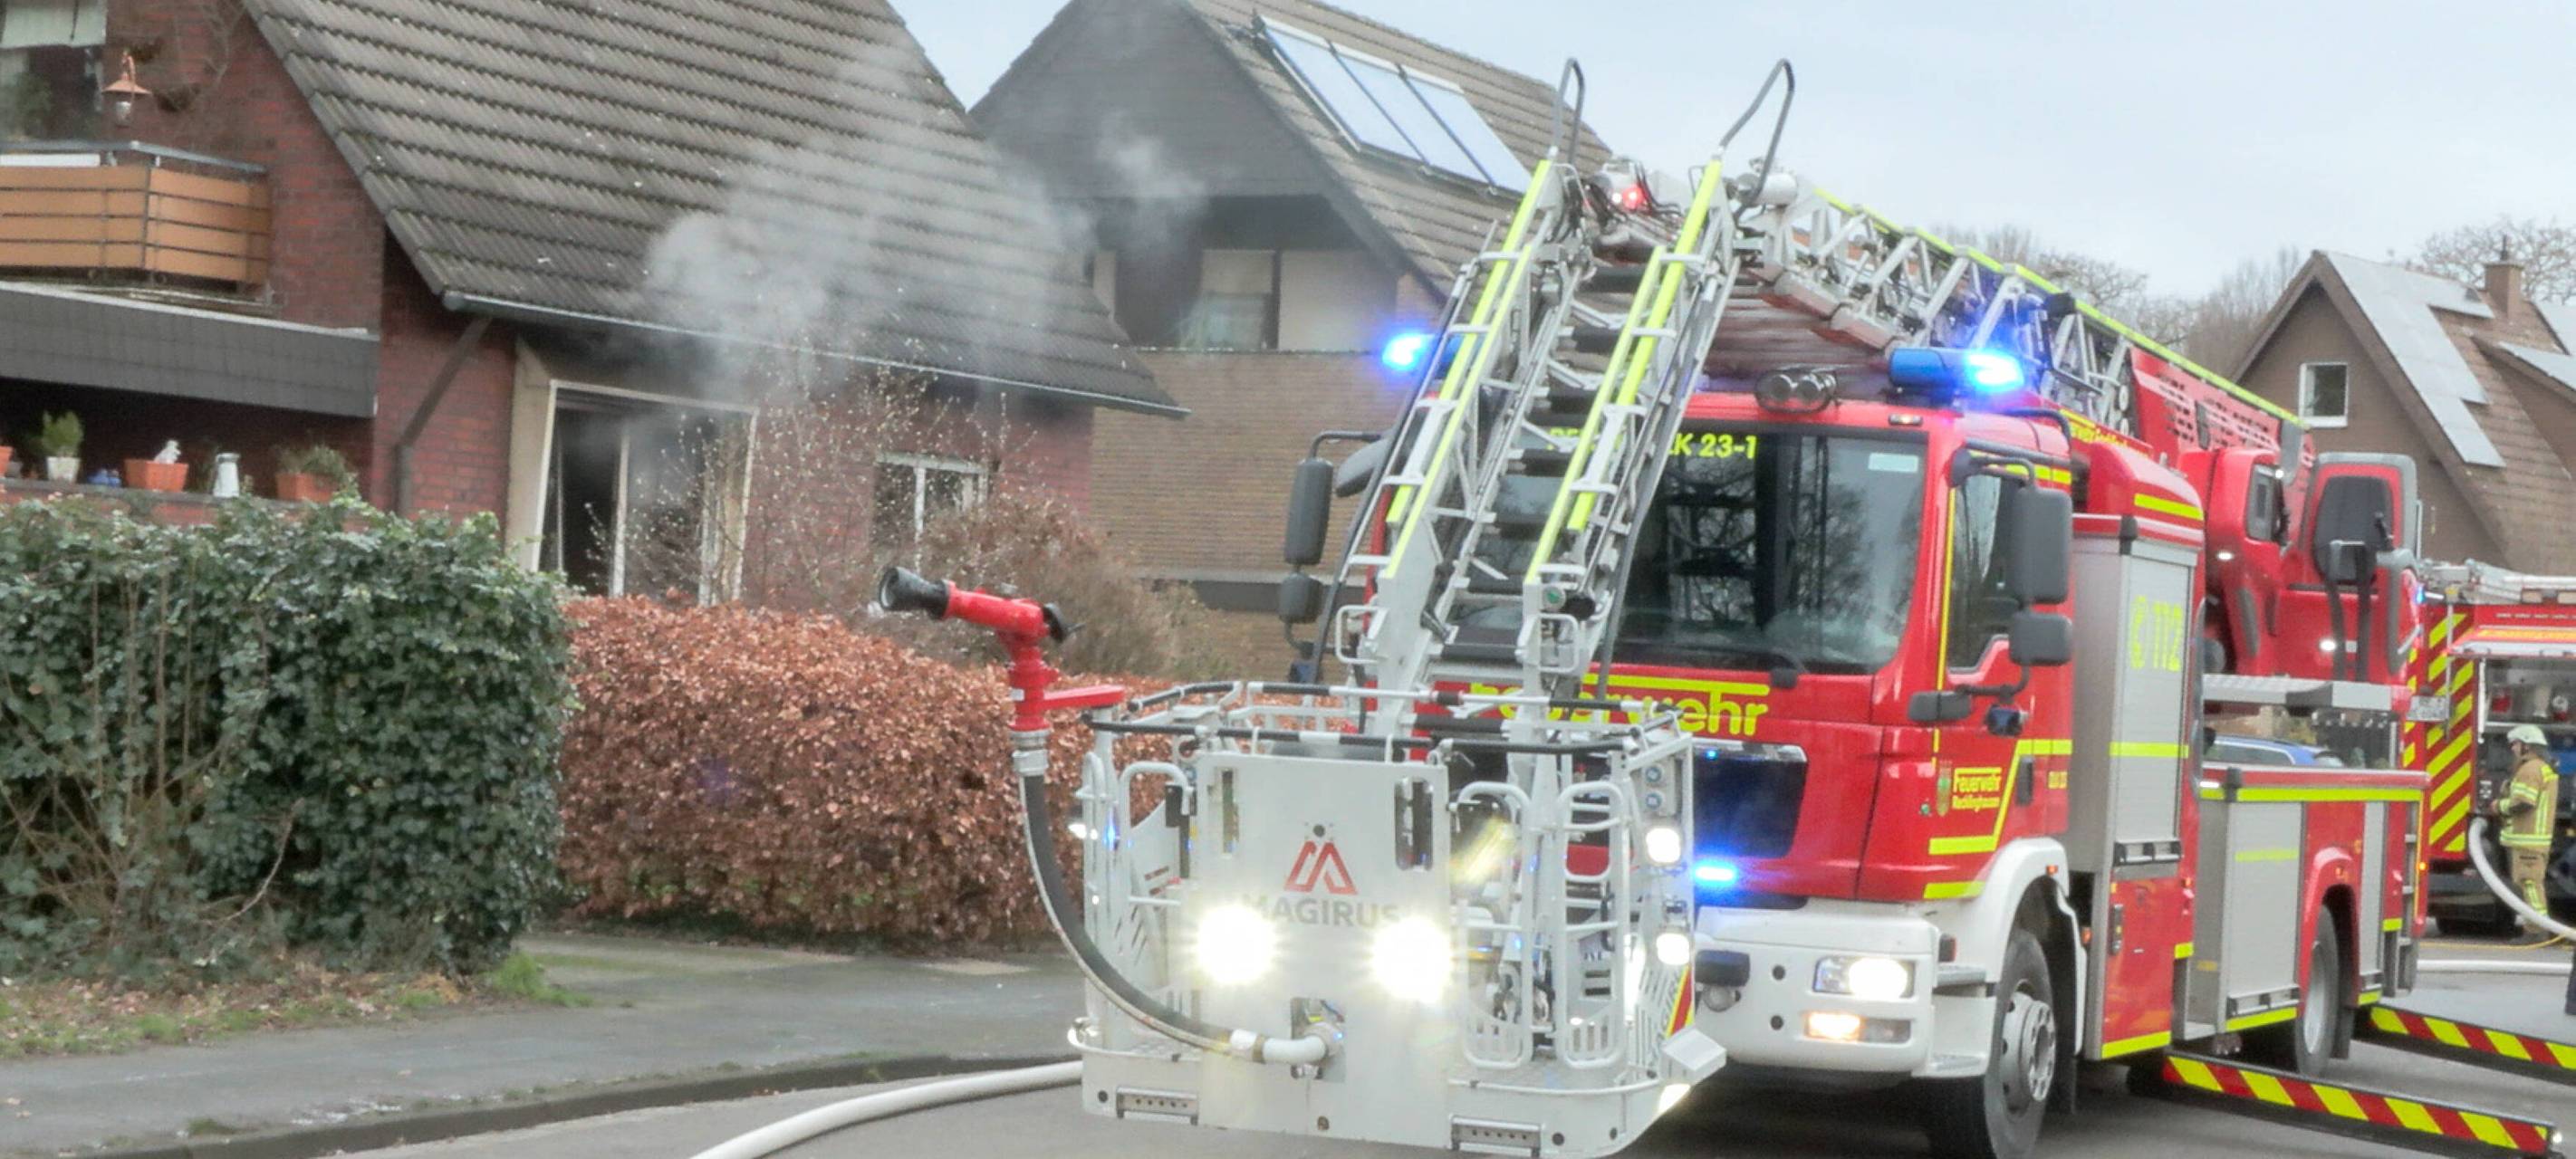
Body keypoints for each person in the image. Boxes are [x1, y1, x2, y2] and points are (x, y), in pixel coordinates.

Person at [2497, 724, 2562, 945]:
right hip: (2533, 839)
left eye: (2515, 743)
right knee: (2530, 883)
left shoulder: (2530, 769)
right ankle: (2536, 927)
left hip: (2528, 839)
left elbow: (2524, 802)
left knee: (2530, 884)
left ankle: (2536, 930)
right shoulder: (2541, 768)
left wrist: (2500, 806)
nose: (2513, 748)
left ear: (2527, 745)